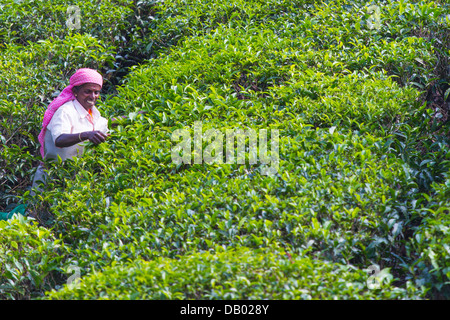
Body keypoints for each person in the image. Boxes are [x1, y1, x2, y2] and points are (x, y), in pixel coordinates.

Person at [31, 68, 109, 194]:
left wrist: (132, 117)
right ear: (75, 91)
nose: (93, 97)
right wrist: (86, 135)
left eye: (96, 92)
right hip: (52, 177)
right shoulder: (66, 111)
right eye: (87, 91)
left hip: (74, 179)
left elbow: (104, 123)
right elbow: (59, 139)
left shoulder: (93, 113)